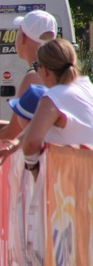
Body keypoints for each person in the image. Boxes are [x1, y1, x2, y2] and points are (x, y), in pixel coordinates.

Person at [0, 10, 57, 140]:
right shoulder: (53, 69)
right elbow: (31, 124)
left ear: (23, 38)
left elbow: (13, 133)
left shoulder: (33, 76)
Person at [21, 38, 93, 176]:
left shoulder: (53, 96)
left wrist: (33, 169)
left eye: (37, 66)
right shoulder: (88, 87)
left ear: (45, 70)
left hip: (76, 179)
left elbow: (31, 143)